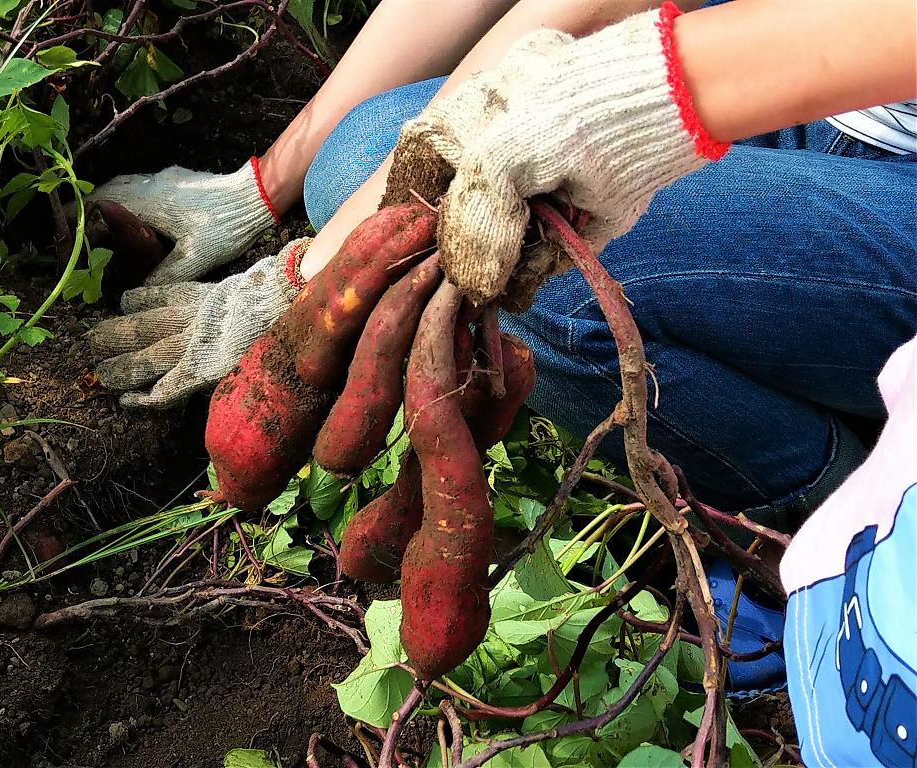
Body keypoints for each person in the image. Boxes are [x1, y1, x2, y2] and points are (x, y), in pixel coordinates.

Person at [87, 0, 916, 763]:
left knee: (541, 283)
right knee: (365, 156)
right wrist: (269, 205)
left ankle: (830, 501)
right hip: (819, 86)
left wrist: (618, 104)